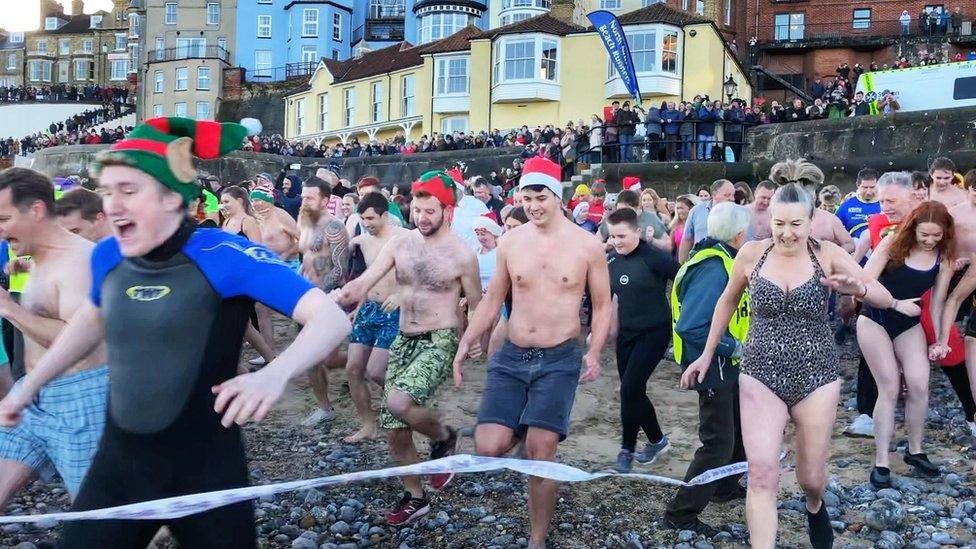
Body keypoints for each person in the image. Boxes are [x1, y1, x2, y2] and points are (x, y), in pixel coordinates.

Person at [0, 118, 351, 548]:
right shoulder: (109, 255)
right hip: (119, 464)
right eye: (108, 192)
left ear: (171, 196)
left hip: (206, 472)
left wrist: (273, 374)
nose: (112, 205)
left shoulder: (226, 255)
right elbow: (91, 321)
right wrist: (29, 385)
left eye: (128, 191)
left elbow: (332, 320)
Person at [682, 172, 899, 549]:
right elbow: (726, 302)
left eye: (796, 224)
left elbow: (879, 294)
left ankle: (815, 506)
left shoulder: (829, 253)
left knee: (810, 477)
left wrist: (857, 288)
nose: (786, 233)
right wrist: (705, 354)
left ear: (812, 220)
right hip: (760, 372)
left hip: (817, 376)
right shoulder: (752, 252)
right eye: (779, 223)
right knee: (762, 473)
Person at [452, 156, 611, 549]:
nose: (533, 206)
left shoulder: (587, 245)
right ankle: (527, 425)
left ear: (557, 196)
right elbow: (492, 301)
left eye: (541, 197)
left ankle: (536, 539)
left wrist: (595, 350)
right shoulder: (510, 242)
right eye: (527, 198)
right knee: (489, 447)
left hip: (559, 357)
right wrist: (467, 340)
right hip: (513, 354)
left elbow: (604, 305)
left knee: (540, 454)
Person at [336, 170, 482, 525]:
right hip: (403, 338)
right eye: (417, 210)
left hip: (440, 338)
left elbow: (477, 303)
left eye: (430, 211)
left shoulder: (462, 254)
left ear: (447, 210)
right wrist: (343, 296)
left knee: (399, 402)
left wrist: (473, 340)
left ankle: (444, 437)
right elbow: (366, 280)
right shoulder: (400, 243)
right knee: (395, 428)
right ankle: (416, 497)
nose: (422, 218)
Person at [0, 168, 108, 506]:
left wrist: (10, 309)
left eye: (4, 218)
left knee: (103, 517)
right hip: (31, 395)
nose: (0, 230)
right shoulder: (38, 256)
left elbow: (80, 340)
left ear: (35, 210)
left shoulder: (80, 261)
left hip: (82, 399)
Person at [665, 202, 751, 535]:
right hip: (712, 364)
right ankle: (680, 513)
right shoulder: (715, 268)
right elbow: (693, 325)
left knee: (738, 432)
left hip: (725, 363)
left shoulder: (721, 259)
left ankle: (725, 487)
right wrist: (735, 347)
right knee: (717, 442)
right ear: (740, 234)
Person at [859, 201, 953, 488]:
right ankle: (882, 462)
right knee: (888, 386)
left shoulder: (944, 258)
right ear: (913, 228)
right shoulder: (891, 245)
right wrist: (895, 303)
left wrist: (940, 339)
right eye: (925, 234)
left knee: (919, 384)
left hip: (909, 322)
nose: (929, 241)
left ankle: (915, 450)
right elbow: (864, 284)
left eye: (936, 236)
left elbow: (937, 303)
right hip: (875, 317)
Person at [605, 208, 678, 473]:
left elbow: (683, 281)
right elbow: (606, 300)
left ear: (637, 232)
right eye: (612, 236)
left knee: (629, 390)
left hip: (654, 333)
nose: (616, 241)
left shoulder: (655, 258)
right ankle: (658, 441)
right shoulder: (612, 261)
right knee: (633, 391)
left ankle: (627, 449)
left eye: (622, 235)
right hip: (627, 334)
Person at [343, 192, 407, 443]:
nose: (366, 223)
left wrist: (403, 294)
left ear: (384, 215)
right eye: (362, 218)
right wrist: (358, 306)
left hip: (394, 310)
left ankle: (405, 408)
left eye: (371, 218)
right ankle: (369, 425)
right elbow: (365, 277)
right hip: (369, 307)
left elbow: (424, 274)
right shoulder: (361, 241)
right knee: (353, 368)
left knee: (377, 371)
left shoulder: (404, 238)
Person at [297, 175, 349, 426]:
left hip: (326, 299)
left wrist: (321, 293)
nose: (304, 201)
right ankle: (324, 408)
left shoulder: (334, 227)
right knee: (311, 358)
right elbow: (305, 258)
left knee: (328, 359)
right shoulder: (306, 222)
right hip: (303, 297)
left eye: (310, 197)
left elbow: (340, 269)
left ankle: (368, 365)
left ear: (325, 200)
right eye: (303, 196)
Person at [220, 186, 277, 368]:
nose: (223, 205)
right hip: (228, 280)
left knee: (242, 324)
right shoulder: (227, 222)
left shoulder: (248, 222)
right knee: (244, 326)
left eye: (226, 201)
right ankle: (270, 360)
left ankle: (267, 361)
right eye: (222, 201)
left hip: (243, 280)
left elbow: (258, 252)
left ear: (240, 201)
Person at [679, 179, 736, 263]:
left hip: (726, 265)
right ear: (715, 195)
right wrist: (682, 265)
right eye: (727, 195)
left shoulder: (737, 214)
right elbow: (687, 239)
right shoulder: (696, 211)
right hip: (699, 263)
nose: (732, 198)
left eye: (733, 195)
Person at [599, 190, 671, 252]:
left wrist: (652, 240)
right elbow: (594, 243)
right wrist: (606, 245)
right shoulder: (612, 219)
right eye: (620, 210)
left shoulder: (650, 218)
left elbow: (669, 246)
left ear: (637, 207)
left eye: (627, 210)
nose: (623, 215)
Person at [834, 168, 880, 243]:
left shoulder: (886, 204)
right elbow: (834, 230)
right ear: (858, 185)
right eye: (865, 187)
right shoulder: (847, 206)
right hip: (854, 251)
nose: (868, 192)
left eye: (872, 187)